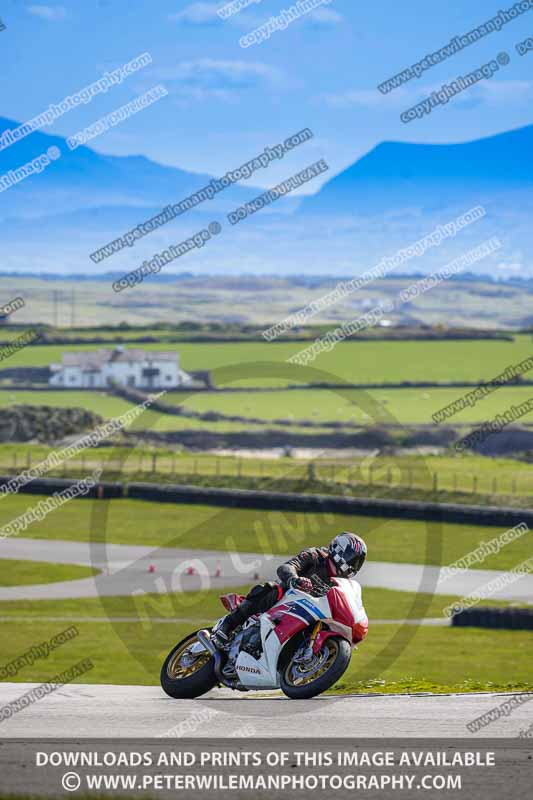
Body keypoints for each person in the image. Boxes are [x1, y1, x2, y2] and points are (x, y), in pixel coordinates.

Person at [211, 531, 367, 649]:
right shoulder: (315, 556)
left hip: (310, 613)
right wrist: (294, 579)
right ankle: (228, 624)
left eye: (358, 562)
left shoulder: (343, 583)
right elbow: (287, 566)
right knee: (271, 589)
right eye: (353, 559)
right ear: (340, 550)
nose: (354, 565)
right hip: (286, 599)